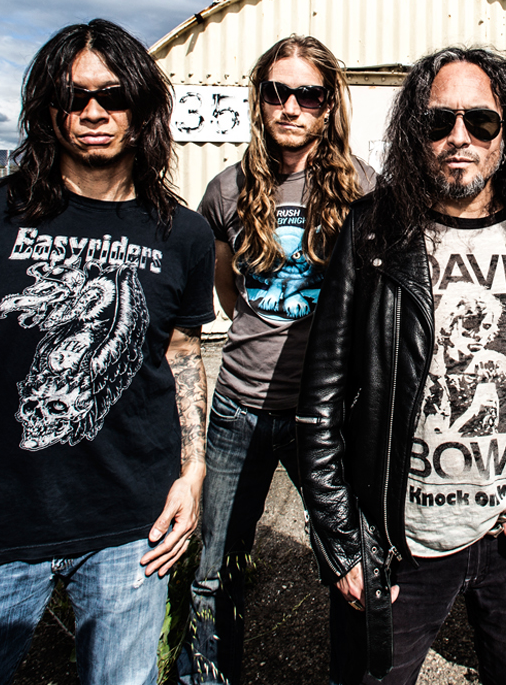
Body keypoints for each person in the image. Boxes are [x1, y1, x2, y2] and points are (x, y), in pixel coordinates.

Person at [0, 18, 216, 685]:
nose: (93, 112)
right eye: (72, 95)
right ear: (46, 108)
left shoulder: (184, 233)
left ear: (143, 108)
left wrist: (192, 472)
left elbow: (182, 357)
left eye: (113, 96)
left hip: (132, 533)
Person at [297, 46, 506, 685]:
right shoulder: (373, 232)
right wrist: (343, 544)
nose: (459, 137)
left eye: (480, 121)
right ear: (417, 133)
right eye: (439, 121)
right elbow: (322, 397)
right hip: (400, 542)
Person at [186, 35, 375, 684]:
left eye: (308, 95)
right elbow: (228, 292)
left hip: (323, 417)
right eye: (278, 92)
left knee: (352, 564)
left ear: (328, 105)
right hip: (237, 408)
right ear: (260, 99)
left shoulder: (362, 189)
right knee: (214, 570)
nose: (291, 106)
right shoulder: (226, 189)